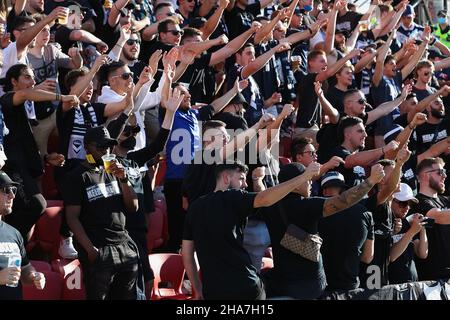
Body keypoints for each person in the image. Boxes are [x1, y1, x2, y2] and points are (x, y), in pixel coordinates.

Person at [182, 160, 322, 300]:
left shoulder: (195, 207)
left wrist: (197, 288)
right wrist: (303, 177)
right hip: (245, 287)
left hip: (213, 291)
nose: (245, 184)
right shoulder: (234, 197)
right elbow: (265, 198)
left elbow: (187, 253)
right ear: (226, 177)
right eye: (241, 178)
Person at [261, 162, 384, 299]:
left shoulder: (269, 206)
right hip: (310, 288)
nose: (310, 183)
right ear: (296, 184)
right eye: (307, 179)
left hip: (282, 285)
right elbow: (343, 201)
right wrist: (371, 181)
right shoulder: (307, 205)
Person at [0, 64, 78, 241]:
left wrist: (46, 157)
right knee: (37, 205)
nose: (32, 81)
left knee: (20, 216)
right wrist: (63, 96)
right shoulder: (7, 99)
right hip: (13, 169)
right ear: (13, 81)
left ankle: (14, 254)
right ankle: (8, 243)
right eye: (27, 77)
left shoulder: (25, 108)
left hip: (27, 168)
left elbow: (22, 142)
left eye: (33, 77)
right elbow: (26, 93)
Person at [63, 126, 140, 300]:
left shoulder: (115, 172)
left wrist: (124, 179)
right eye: (100, 146)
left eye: (108, 146)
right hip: (100, 248)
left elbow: (133, 207)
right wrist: (90, 250)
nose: (105, 150)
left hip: (124, 245)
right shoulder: (78, 176)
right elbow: (72, 217)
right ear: (87, 147)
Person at [318, 171, 375, 291]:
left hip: (321, 286)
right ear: (344, 190)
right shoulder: (364, 213)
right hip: (349, 285)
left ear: (324, 191)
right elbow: (367, 257)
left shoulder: (315, 212)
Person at [0, 170, 46, 300]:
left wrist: (33, 276)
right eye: (5, 190)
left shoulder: (14, 233)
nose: (12, 196)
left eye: (13, 190)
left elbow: (24, 269)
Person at [411, 157, 450, 281]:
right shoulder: (417, 202)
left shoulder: (446, 200)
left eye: (445, 172)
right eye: (440, 172)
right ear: (425, 175)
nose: (444, 176)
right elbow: (440, 217)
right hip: (432, 279)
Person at [389, 183, 428, 284]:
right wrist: (411, 232)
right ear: (391, 200)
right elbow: (391, 256)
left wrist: (422, 228)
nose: (407, 208)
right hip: (392, 285)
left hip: (412, 283)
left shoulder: (407, 224)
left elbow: (422, 254)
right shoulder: (384, 224)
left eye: (410, 204)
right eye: (403, 203)